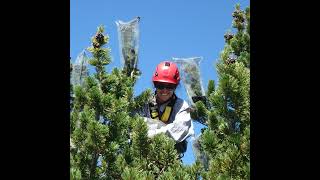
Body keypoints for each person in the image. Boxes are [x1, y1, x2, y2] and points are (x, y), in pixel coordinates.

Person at [137, 61, 194, 157]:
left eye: (170, 86)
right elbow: (131, 123)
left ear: (176, 86)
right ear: (155, 84)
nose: (164, 90)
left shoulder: (181, 106)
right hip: (141, 156)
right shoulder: (142, 102)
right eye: (160, 85)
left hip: (168, 160)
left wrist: (149, 134)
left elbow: (180, 130)